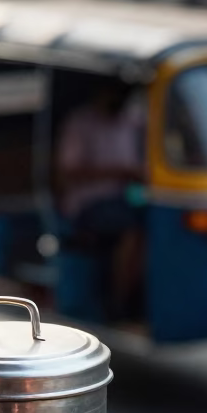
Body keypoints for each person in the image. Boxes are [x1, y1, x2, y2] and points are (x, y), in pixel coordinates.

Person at [57, 79, 146, 319]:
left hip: (126, 197)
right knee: (132, 230)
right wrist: (118, 172)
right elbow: (69, 171)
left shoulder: (132, 119)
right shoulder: (81, 123)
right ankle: (119, 303)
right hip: (88, 203)